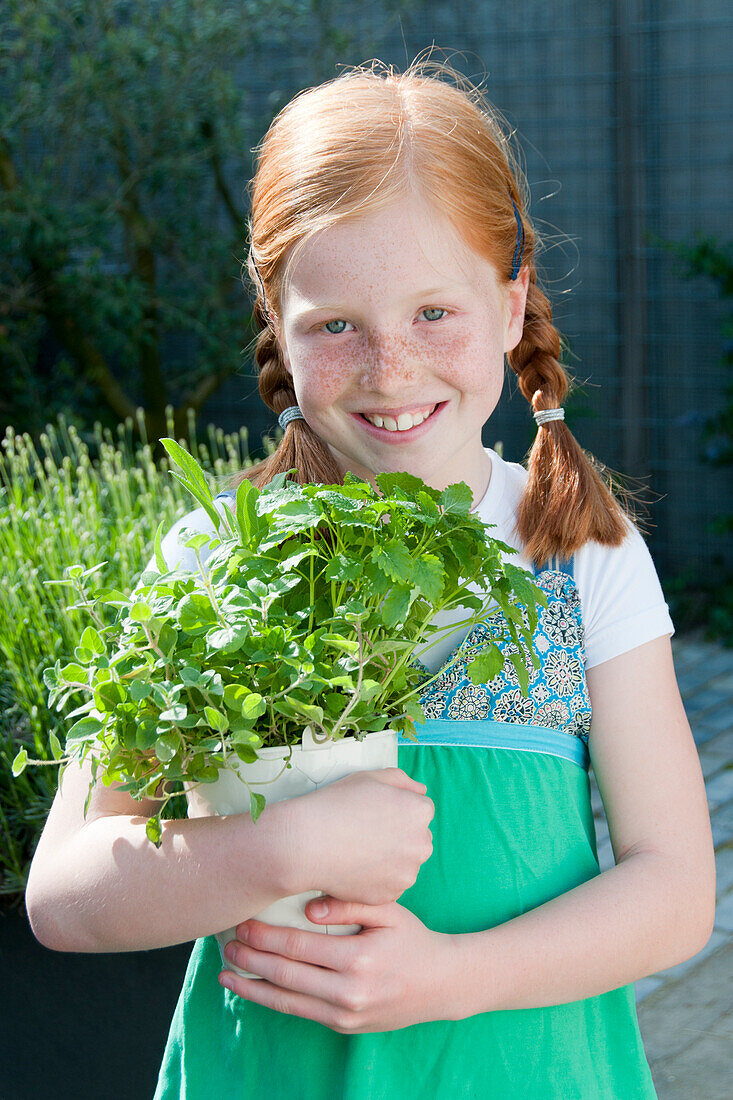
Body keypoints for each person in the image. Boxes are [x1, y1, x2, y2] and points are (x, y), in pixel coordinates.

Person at [25, 57, 716, 1099]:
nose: (391, 369)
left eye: (434, 312)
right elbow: (67, 893)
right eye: (336, 325)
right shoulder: (216, 563)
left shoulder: (578, 549)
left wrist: (449, 976)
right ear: (275, 315)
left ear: (511, 299)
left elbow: (673, 890)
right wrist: (276, 844)